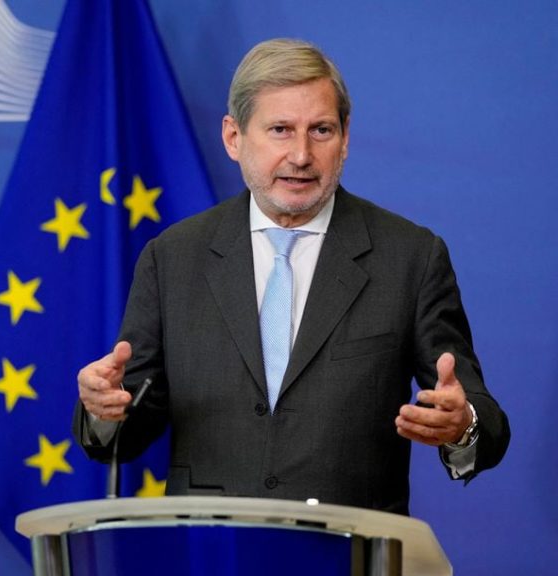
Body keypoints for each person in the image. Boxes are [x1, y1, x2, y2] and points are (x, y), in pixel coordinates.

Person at [75, 38, 509, 520]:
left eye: (320, 130)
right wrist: (103, 409)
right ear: (233, 137)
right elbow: (125, 430)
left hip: (353, 568)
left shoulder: (410, 257)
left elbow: (483, 419)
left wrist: (461, 425)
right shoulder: (173, 258)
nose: (301, 154)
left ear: (345, 138)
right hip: (214, 561)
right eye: (280, 130)